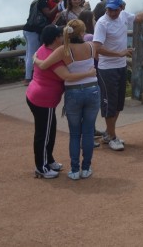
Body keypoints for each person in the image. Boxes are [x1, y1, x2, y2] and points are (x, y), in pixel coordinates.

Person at [93, 0, 143, 151]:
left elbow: (138, 17)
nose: (112, 13)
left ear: (121, 8)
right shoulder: (102, 23)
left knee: (118, 104)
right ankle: (112, 137)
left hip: (120, 67)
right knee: (109, 104)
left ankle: (108, 133)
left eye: (115, 10)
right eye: (109, 10)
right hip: (107, 70)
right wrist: (118, 53)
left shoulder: (123, 16)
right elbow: (96, 48)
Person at [26, 24, 97, 179]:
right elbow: (67, 76)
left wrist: (36, 59)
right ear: (55, 39)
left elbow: (41, 62)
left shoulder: (43, 50)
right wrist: (89, 73)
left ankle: (49, 160)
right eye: (60, 36)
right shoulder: (56, 57)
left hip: (37, 95)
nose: (63, 38)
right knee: (43, 134)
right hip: (43, 98)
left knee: (49, 131)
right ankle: (41, 167)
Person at [22, 0, 60, 84]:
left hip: (27, 29)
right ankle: (28, 78)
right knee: (32, 54)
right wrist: (58, 6)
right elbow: (49, 14)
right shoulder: (42, 2)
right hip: (34, 30)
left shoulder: (35, 1)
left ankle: (28, 76)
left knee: (28, 53)